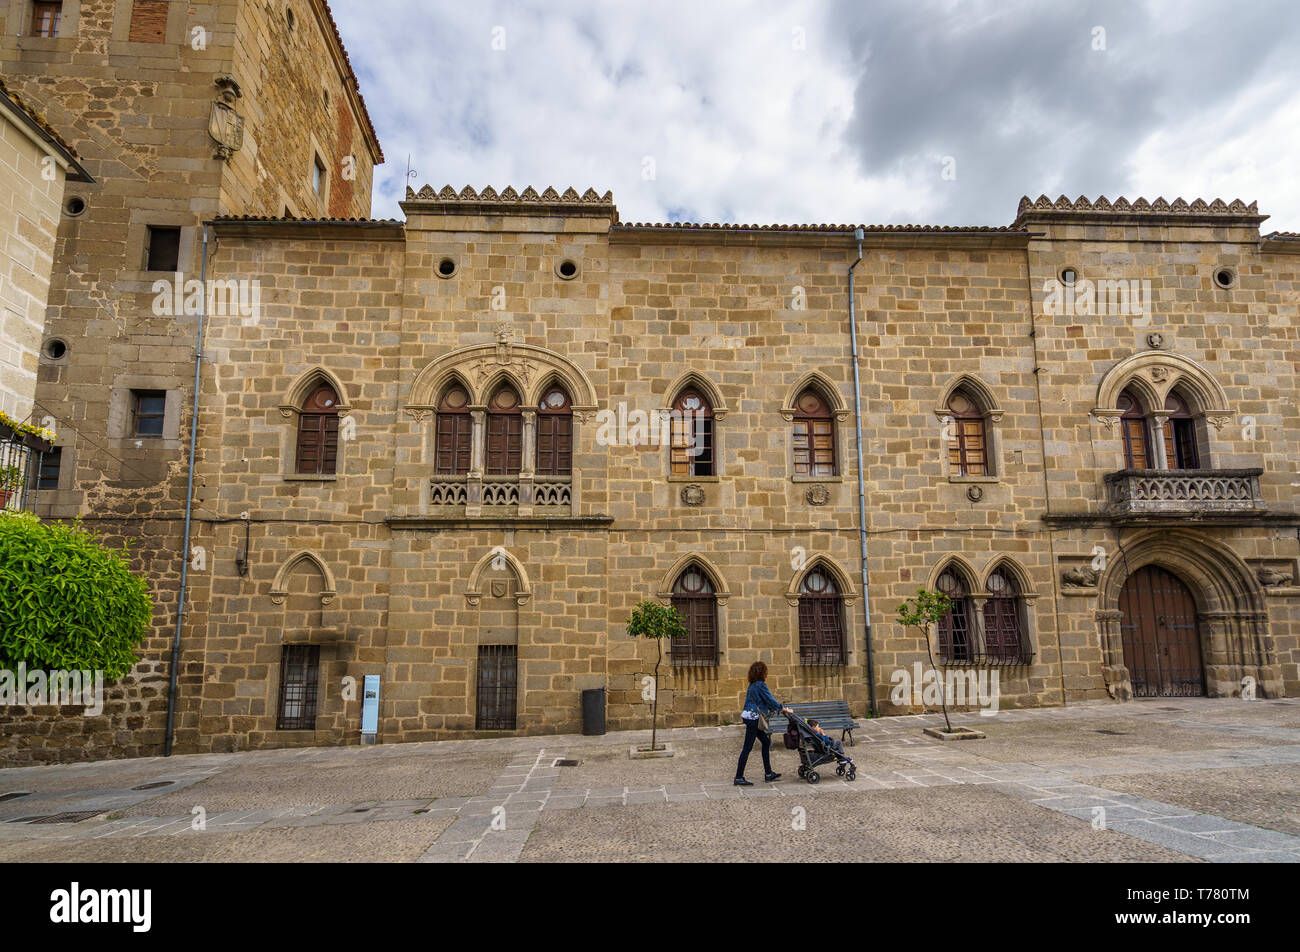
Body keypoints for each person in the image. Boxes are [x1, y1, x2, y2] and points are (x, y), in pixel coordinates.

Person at [735, 661, 792, 785]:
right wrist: (783, 708)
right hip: (753, 718)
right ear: (762, 672)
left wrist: (777, 708)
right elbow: (769, 699)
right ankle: (738, 777)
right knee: (747, 748)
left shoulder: (752, 685)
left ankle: (768, 773)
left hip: (749, 716)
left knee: (766, 742)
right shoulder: (760, 685)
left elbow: (763, 701)